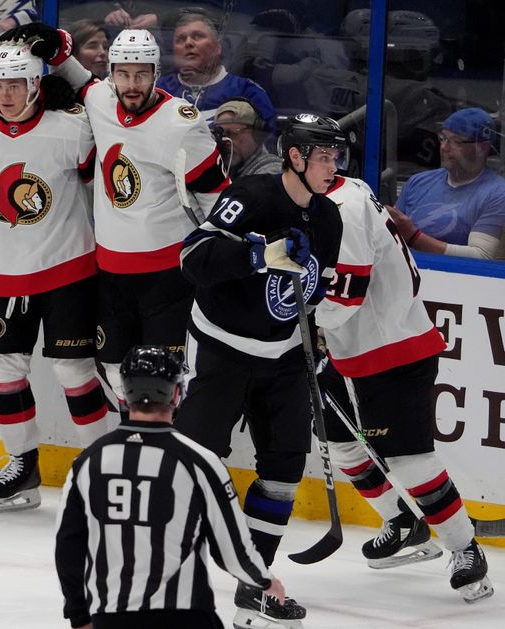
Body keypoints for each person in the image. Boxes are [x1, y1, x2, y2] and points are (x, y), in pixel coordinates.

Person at [1, 23, 230, 418]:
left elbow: (217, 198)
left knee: (167, 375)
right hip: (111, 273)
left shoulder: (181, 122)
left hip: (168, 277)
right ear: (112, 75)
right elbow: (77, 76)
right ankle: (133, 443)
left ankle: (164, 456)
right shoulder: (102, 101)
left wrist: (219, 261)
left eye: (142, 73)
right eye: (123, 73)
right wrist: (56, 46)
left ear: (157, 74)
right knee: (112, 367)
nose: (132, 83)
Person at [174, 113, 346, 627]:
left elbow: (314, 294)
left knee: (284, 471)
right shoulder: (251, 196)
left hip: (285, 358)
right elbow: (194, 257)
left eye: (336, 156)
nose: (332, 165)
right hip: (222, 350)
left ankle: (256, 580)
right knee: (195, 464)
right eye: (324, 156)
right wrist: (259, 254)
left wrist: (316, 341)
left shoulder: (329, 219)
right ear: (295, 156)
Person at [316, 174, 494, 604]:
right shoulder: (342, 191)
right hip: (345, 346)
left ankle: (465, 549)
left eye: (325, 156)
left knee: (410, 461)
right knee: (342, 444)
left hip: (392, 349)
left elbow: (345, 297)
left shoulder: (345, 208)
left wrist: (297, 311)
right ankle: (402, 524)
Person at [0, 42, 110, 513]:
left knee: (73, 370)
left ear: (35, 83)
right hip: (0, 270)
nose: (5, 94)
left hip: (67, 267)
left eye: (15, 84)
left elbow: (95, 191)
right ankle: (22, 466)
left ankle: (99, 469)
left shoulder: (72, 129)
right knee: (3, 371)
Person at [55, 345, 285, 629]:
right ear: (177, 394)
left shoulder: (88, 461)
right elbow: (231, 547)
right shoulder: (200, 461)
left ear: (125, 393)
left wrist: (79, 615)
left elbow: (68, 545)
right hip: (185, 616)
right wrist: (263, 581)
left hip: (111, 617)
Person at [387, 108, 505, 259]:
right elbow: (391, 233)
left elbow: (481, 256)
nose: (444, 147)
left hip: (457, 279)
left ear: (482, 147)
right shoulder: (418, 181)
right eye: (442, 138)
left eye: (455, 141)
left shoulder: (497, 193)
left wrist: (415, 238)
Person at [155, 9, 276, 125]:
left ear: (217, 48)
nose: (188, 43)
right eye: (181, 39)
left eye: (197, 36)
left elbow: (266, 142)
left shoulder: (248, 92)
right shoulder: (158, 92)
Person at [213, 97, 282, 179]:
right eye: (220, 135)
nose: (225, 141)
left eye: (234, 133)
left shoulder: (271, 172)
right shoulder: (221, 168)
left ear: (257, 134)